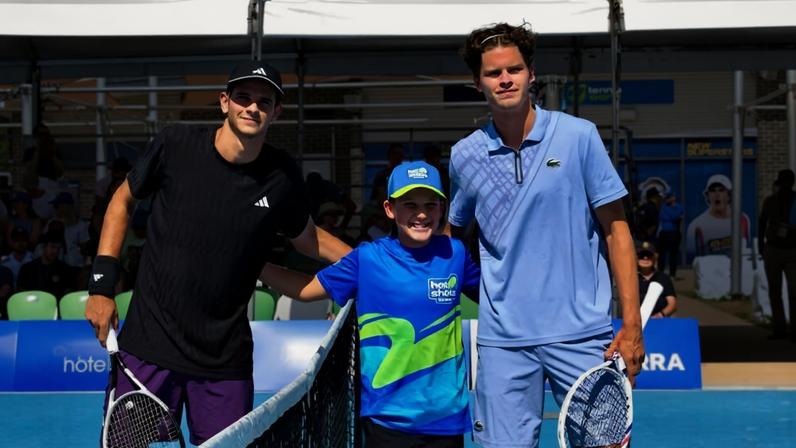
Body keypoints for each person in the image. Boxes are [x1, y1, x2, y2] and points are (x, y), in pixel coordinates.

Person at [84, 60, 352, 445]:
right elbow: (122, 202)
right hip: (148, 349)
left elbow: (309, 239)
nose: (252, 107)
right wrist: (101, 286)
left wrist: (367, 263)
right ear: (224, 102)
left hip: (224, 363)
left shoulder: (280, 176)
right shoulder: (175, 144)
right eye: (243, 97)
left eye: (264, 101)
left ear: (276, 112)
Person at [448, 23, 643, 447]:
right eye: (493, 73)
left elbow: (617, 231)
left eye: (514, 69)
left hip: (583, 337)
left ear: (531, 74)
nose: (505, 79)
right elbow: (452, 239)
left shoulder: (579, 137)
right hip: (502, 345)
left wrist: (632, 325)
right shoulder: (464, 155)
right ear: (476, 81)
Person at [261, 161, 480, 447]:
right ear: (390, 209)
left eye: (431, 204)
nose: (422, 214)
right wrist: (255, 266)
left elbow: (494, 293)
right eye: (410, 205)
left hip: (446, 420)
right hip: (386, 420)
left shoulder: (456, 254)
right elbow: (305, 290)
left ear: (443, 208)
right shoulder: (367, 259)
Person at [758, 169, 796, 340]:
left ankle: (787, 328)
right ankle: (780, 328)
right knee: (776, 290)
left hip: (789, 249)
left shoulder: (792, 201)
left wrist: (761, 246)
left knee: (790, 291)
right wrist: (761, 246)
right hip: (774, 248)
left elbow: (761, 224)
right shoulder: (771, 201)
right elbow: (762, 223)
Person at [686, 174, 750, 258]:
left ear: (729, 195)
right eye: (713, 191)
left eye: (721, 190)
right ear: (708, 196)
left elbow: (746, 249)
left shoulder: (742, 219)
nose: (717, 194)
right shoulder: (696, 226)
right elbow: (693, 256)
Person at [17, 230, 77, 299]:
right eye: (52, 247)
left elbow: (69, 293)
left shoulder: (64, 269)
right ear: (43, 247)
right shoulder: (28, 268)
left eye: (58, 248)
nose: (55, 251)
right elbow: (21, 292)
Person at [636, 241, 677, 318]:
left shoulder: (664, 278)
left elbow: (672, 303)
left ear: (654, 258)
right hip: (637, 321)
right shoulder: (632, 279)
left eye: (649, 255)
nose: (645, 258)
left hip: (660, 321)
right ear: (637, 259)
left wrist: (661, 314)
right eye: (642, 256)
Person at [657, 192, 685, 278]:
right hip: (664, 233)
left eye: (669, 197)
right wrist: (674, 216)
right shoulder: (664, 207)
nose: (668, 199)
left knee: (673, 254)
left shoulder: (679, 207)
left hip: (674, 232)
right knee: (662, 254)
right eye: (667, 198)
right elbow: (663, 217)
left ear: (673, 197)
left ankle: (672, 274)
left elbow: (678, 215)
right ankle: (660, 273)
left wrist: (673, 216)